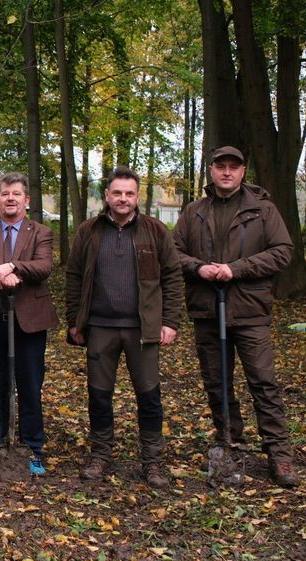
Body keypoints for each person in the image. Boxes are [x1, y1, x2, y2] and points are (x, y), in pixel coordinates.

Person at [173, 146, 298, 487]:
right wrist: (200, 269)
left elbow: (282, 252)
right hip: (207, 310)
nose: (227, 172)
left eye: (233, 167)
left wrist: (236, 269)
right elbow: (174, 254)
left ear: (243, 172)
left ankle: (279, 453)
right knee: (217, 382)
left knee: (263, 381)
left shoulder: (263, 210)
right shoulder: (194, 211)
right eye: (220, 166)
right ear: (211, 171)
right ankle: (229, 441)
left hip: (250, 310)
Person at [65, 167, 183, 488]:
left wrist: (169, 321)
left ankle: (152, 461)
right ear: (106, 195)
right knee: (99, 396)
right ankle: (101, 455)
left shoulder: (155, 231)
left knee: (149, 396)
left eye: (129, 193)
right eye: (117, 193)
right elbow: (74, 276)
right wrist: (75, 320)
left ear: (138, 196)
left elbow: (172, 277)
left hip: (141, 330)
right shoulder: (89, 231)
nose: (123, 199)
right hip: (100, 328)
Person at [0, 172, 58, 477]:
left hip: (28, 322)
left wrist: (14, 267)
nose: (11, 198)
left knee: (29, 387)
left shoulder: (40, 232)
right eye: (5, 193)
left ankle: (33, 449)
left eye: (17, 193)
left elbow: (44, 266)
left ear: (26, 200)